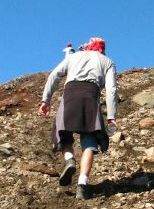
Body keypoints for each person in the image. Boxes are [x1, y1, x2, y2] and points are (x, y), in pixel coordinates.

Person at [38, 36, 118, 200]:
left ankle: (69, 160)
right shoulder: (107, 62)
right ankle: (82, 184)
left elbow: (54, 75)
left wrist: (45, 100)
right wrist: (111, 116)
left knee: (62, 133)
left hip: (70, 96)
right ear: (102, 48)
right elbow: (111, 90)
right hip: (91, 98)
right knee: (90, 142)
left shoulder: (73, 56)